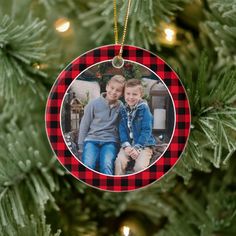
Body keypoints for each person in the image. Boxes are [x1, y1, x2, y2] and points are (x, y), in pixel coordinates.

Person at [78, 75, 125, 175]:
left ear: (121, 94)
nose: (113, 92)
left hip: (110, 141)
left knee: (106, 164)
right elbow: (84, 125)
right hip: (92, 140)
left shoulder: (121, 107)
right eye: (112, 88)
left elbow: (124, 126)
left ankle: (107, 188)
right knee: (88, 164)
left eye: (118, 90)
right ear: (107, 87)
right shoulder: (93, 104)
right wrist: (81, 145)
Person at [115, 79, 157, 175]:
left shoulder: (144, 109)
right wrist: (126, 146)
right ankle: (118, 183)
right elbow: (122, 129)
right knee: (119, 161)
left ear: (140, 95)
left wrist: (137, 147)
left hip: (144, 145)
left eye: (134, 94)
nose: (130, 97)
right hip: (129, 145)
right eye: (128, 94)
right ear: (124, 94)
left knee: (140, 167)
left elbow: (146, 130)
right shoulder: (123, 110)